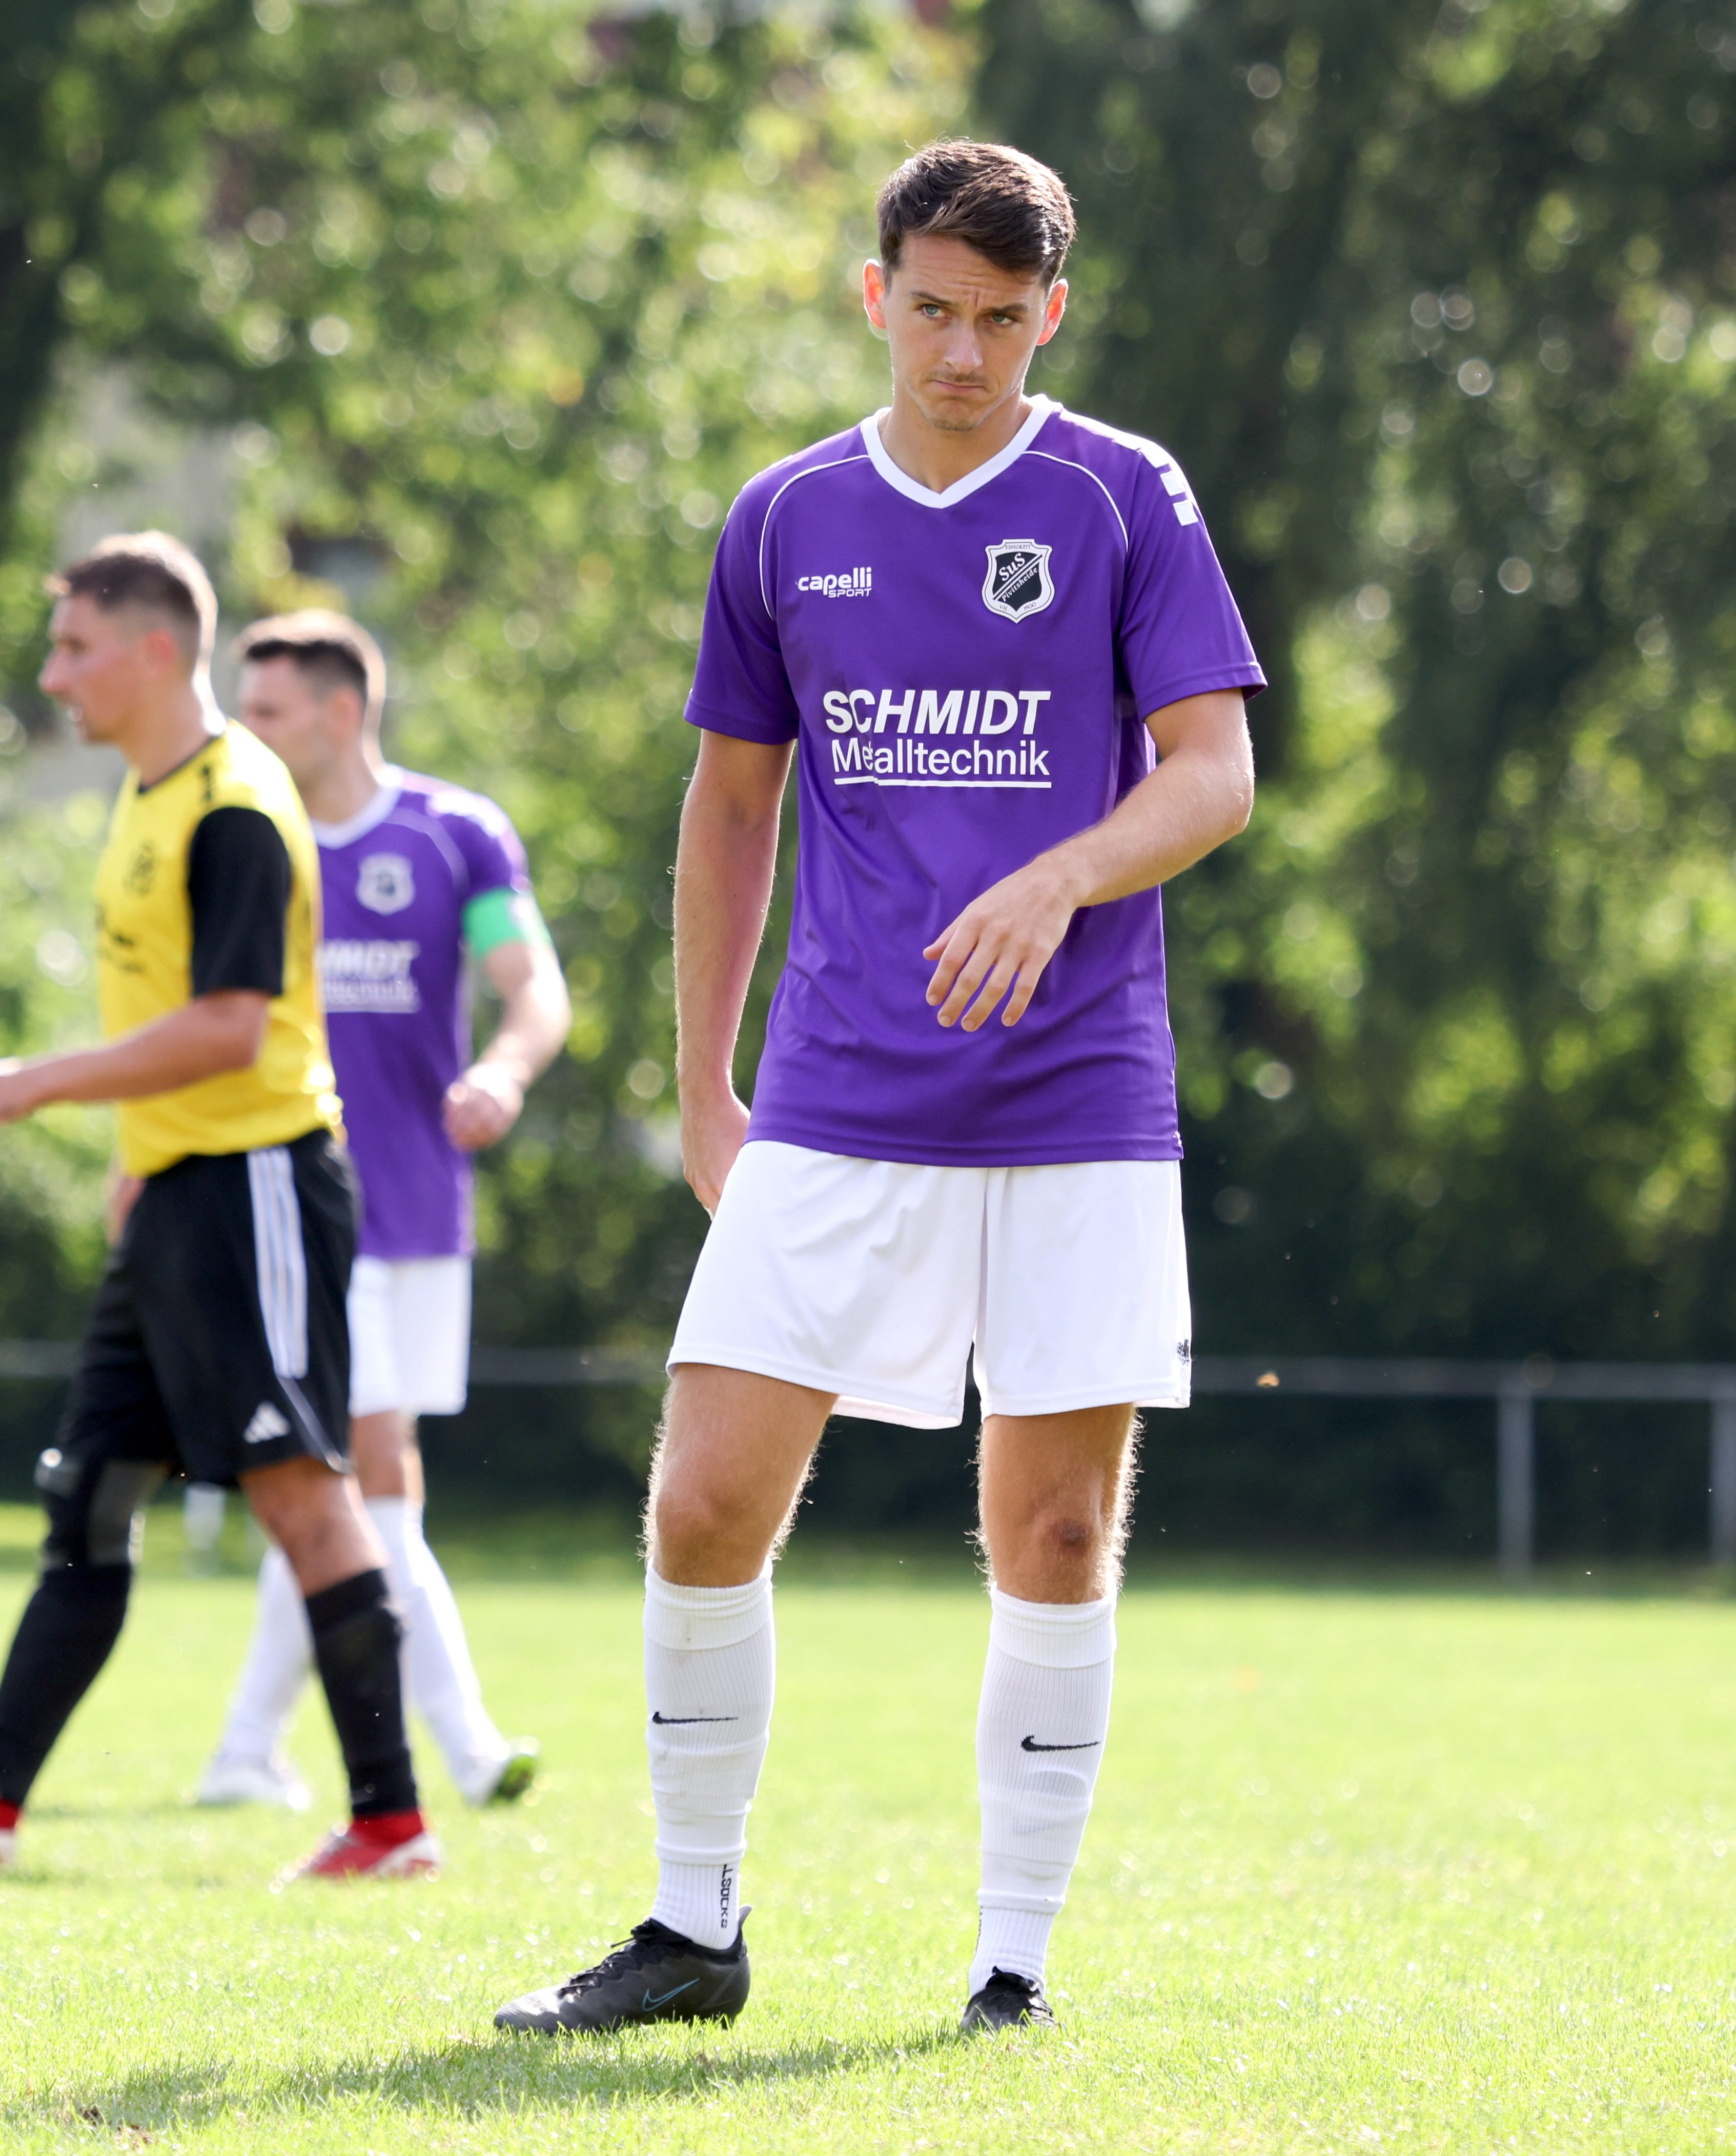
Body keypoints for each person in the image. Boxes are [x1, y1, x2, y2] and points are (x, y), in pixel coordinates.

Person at [494, 141, 1263, 2037]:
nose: (962, 353)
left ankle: (1010, 1967)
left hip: (1077, 1098)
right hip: (835, 1098)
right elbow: (729, 806)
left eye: (1001, 318)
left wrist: (1056, 875)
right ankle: (689, 1928)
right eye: (931, 309)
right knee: (701, 1502)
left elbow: (1212, 770)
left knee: (1054, 1538)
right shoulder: (782, 518)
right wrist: (702, 1083)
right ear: (873, 297)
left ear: (1049, 314)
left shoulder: (1121, 496)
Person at [0, 533, 436, 1883]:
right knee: (91, 1493)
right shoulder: (146, 794)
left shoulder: (234, 803)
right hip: (175, 1191)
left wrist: (31, 1085)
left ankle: (390, 1821)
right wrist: (136, 1158)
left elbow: (229, 1028)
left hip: (259, 1185)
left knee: (303, 1496)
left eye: (75, 648)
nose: (53, 676)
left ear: (156, 652)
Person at [194, 608, 569, 1812]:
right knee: (370, 1470)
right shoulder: (245, 840)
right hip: (298, 1207)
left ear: (340, 710)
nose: (243, 729)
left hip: (424, 1210)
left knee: (344, 1488)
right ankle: (467, 1745)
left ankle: (243, 1751)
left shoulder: (455, 835)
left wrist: (503, 1070)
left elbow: (532, 986)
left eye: (265, 709)